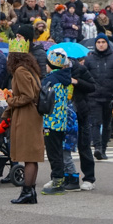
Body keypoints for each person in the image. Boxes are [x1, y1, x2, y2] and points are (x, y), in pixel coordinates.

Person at [4, 36, 44, 204]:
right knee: (31, 157)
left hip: (26, 116)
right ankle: (30, 192)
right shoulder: (30, 69)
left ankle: (27, 192)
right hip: (33, 114)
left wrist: (10, 101)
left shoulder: (20, 71)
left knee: (28, 155)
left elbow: (27, 96)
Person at [61, 54, 97, 192]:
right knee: (61, 147)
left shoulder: (80, 69)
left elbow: (92, 86)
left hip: (80, 111)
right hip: (62, 112)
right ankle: (60, 176)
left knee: (84, 145)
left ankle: (89, 178)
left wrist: (76, 82)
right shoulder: (56, 70)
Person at [40, 49, 72, 196]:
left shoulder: (49, 80)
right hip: (61, 120)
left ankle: (57, 180)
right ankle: (59, 178)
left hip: (50, 120)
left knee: (53, 152)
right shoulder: (65, 78)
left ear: (50, 65)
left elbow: (43, 100)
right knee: (58, 150)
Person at [86, 34, 113, 160]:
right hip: (94, 96)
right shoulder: (89, 59)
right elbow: (85, 77)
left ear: (107, 43)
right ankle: (97, 147)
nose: (101, 44)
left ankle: (104, 148)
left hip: (109, 97)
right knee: (95, 123)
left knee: (107, 125)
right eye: (98, 42)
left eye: (103, 42)